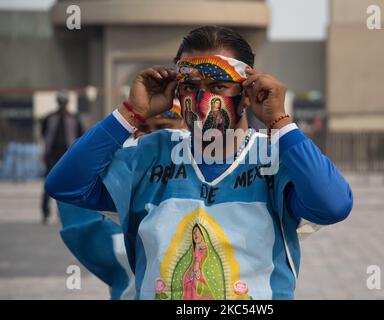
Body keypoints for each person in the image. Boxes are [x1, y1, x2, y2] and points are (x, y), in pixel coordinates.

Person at [46, 25, 353, 300]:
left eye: (218, 87)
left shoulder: (275, 158)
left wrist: (281, 122)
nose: (202, 100)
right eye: (190, 87)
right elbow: (66, 185)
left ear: (247, 94)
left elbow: (333, 204)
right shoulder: (149, 155)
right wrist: (129, 113)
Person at [57, 104, 184, 300]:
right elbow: (65, 183)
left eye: (162, 127)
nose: (150, 137)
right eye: (143, 129)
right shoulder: (126, 177)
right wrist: (122, 116)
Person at [41, 90, 83, 224]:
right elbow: (44, 134)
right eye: (61, 101)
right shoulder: (49, 117)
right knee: (48, 184)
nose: (62, 104)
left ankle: (63, 213)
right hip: (51, 156)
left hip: (67, 156)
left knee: (65, 185)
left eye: (64, 101)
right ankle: (45, 213)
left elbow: (80, 136)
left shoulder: (74, 118)